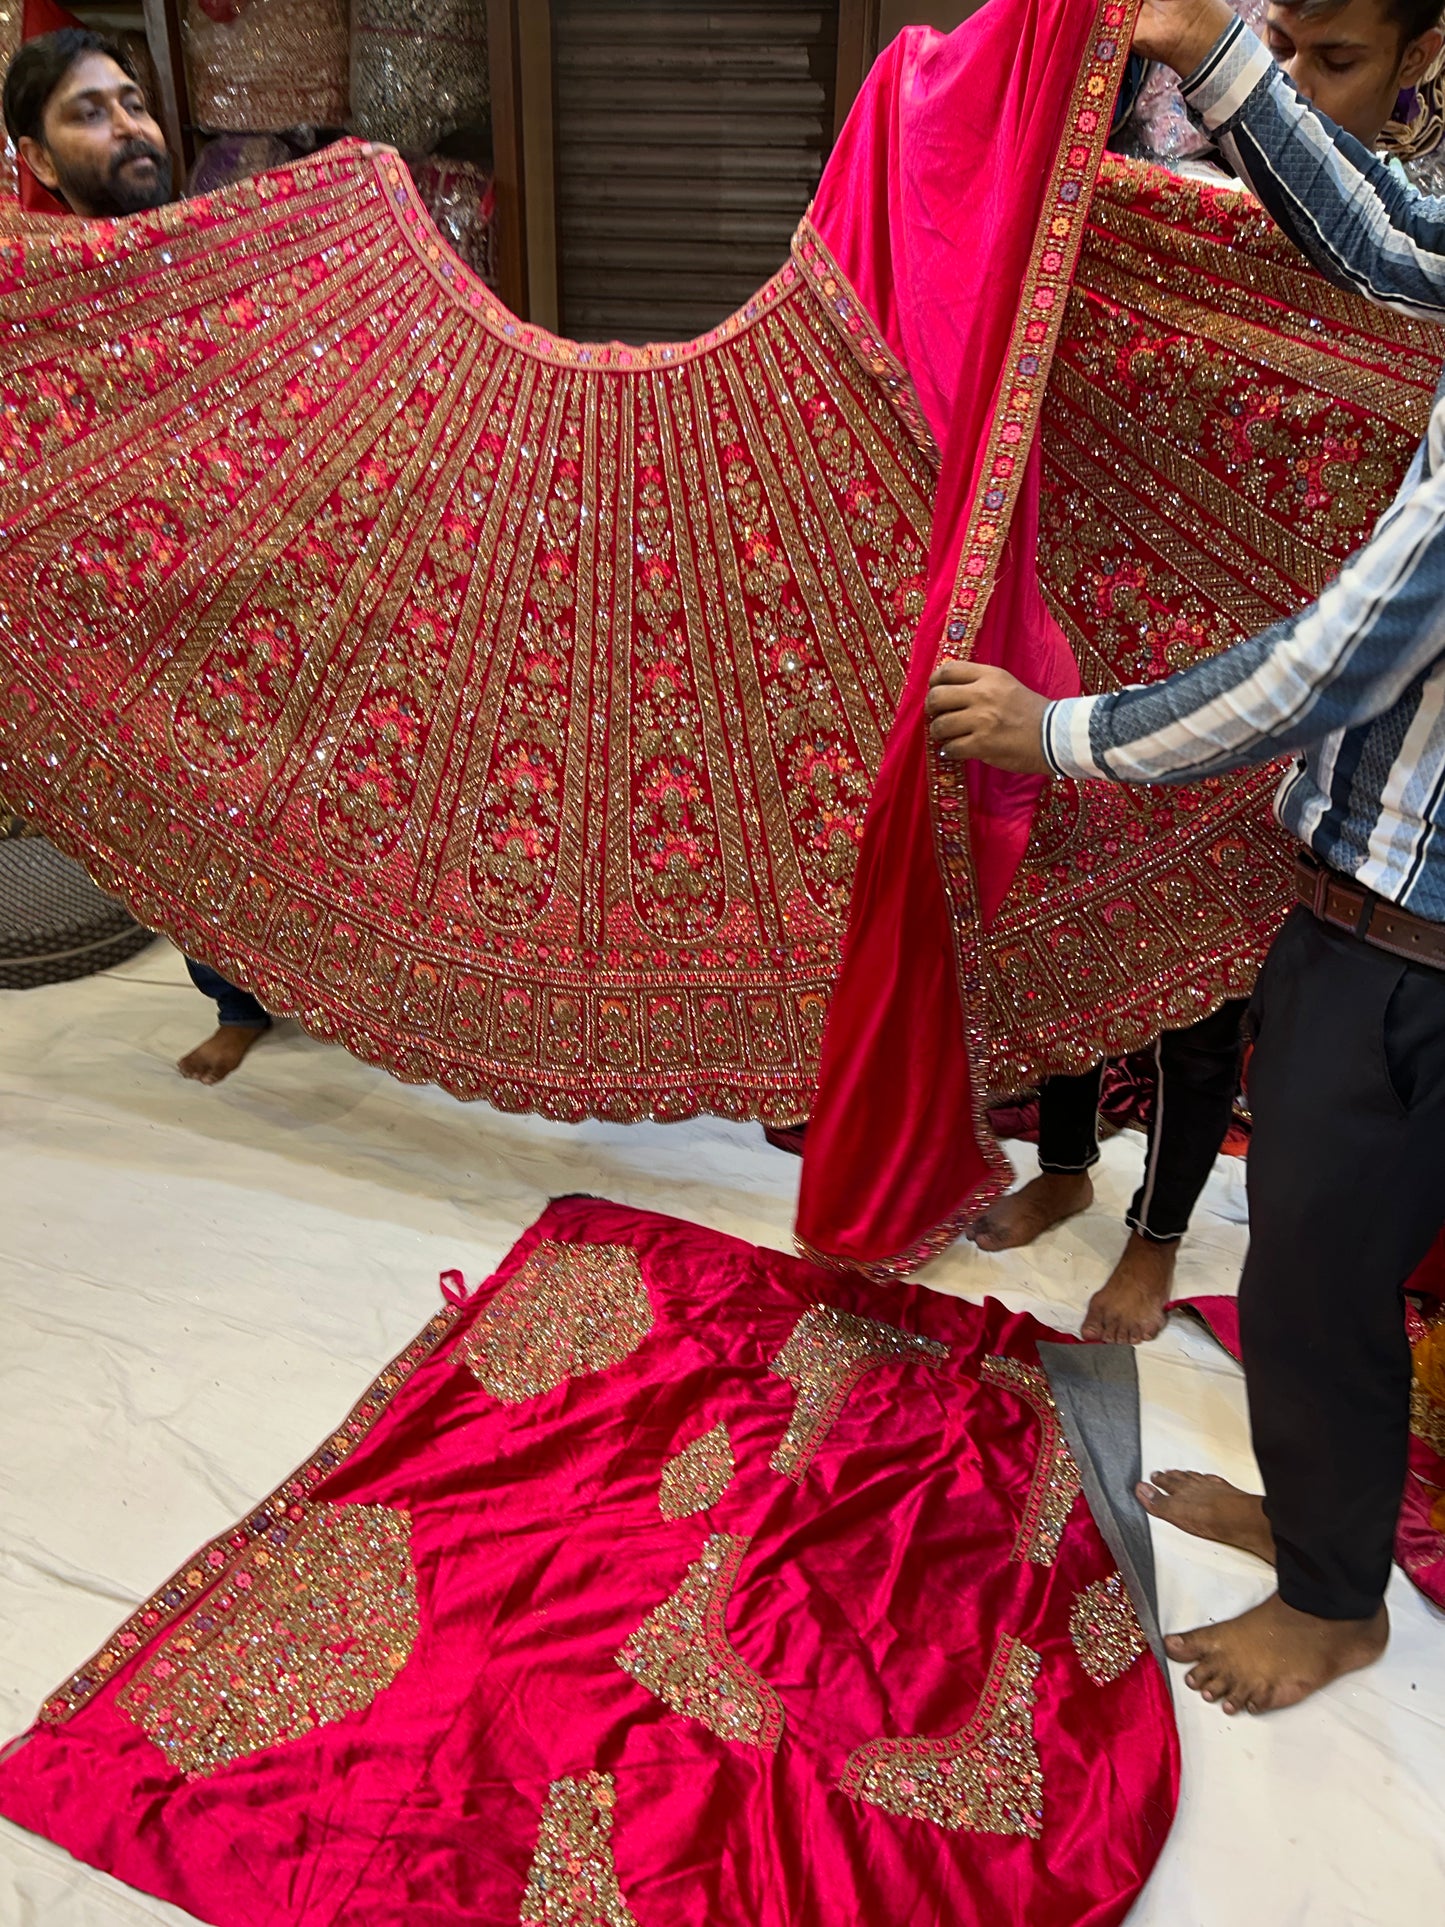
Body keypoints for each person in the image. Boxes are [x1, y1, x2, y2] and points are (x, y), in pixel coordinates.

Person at [926, 0, 1445, 1717]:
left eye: (1346, 53)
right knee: (1309, 1248)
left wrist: (1057, 734)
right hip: (1363, 906)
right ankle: (1318, 1517)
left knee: (1318, 1263)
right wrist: (1202, 46)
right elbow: (1378, 236)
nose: (1346, 90)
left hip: (1411, 944)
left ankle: (1335, 1602)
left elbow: (1333, 661)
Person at [3, 29, 273, 1085]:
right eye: (90, 112)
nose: (128, 128)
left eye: (133, 102)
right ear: (34, 155)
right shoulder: (28, 300)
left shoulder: (230, 240)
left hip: (270, 574)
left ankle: (352, 981)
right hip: (134, 621)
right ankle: (237, 1002)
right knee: (184, 826)